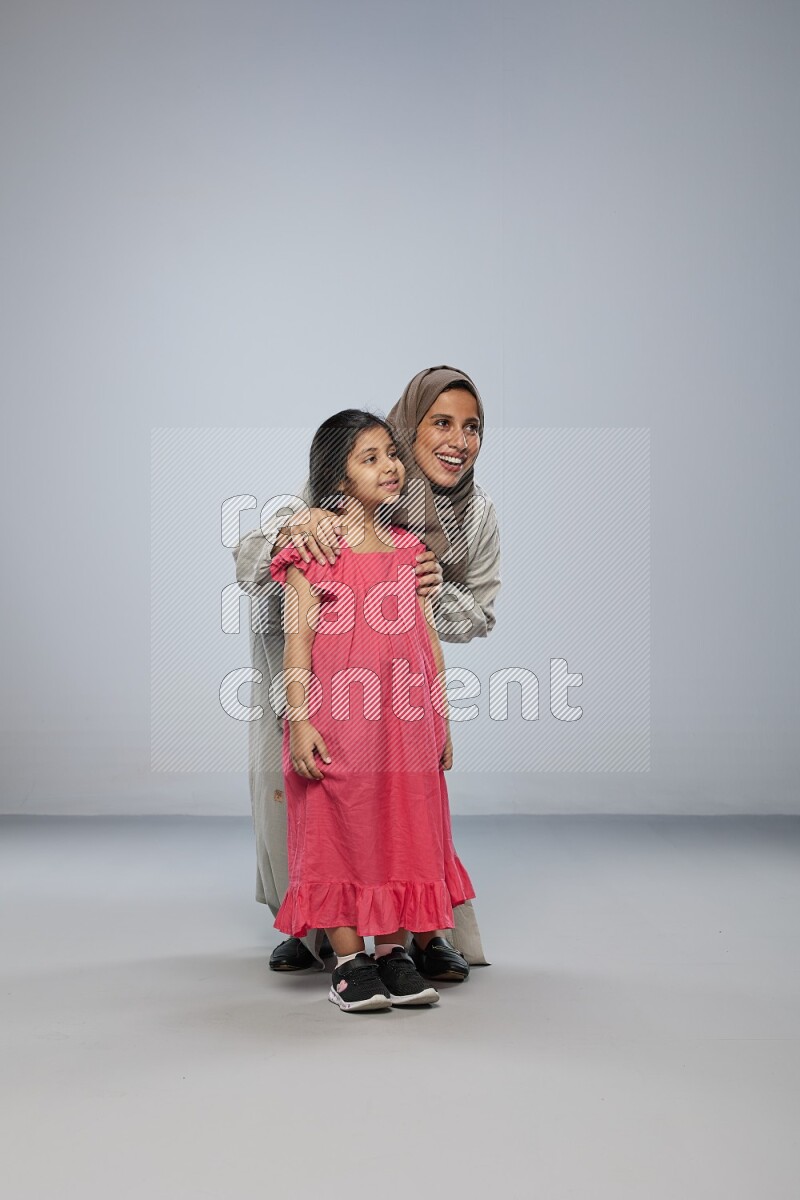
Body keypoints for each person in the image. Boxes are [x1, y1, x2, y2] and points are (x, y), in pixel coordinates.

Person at [233, 365, 501, 978]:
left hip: (394, 695)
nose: (458, 439)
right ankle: (314, 933)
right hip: (315, 677)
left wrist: (431, 590)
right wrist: (287, 532)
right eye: (441, 423)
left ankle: (421, 934)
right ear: (412, 427)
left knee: (406, 811)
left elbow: (473, 613)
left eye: (473, 427)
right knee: (314, 808)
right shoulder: (341, 484)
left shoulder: (473, 515)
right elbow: (252, 556)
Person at [269, 409, 475, 1011]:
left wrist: (440, 716)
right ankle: (348, 959)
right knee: (339, 825)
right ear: (337, 479)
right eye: (370, 457)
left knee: (402, 825)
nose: (390, 466)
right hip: (339, 719)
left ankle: (392, 952)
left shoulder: (412, 552)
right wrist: (302, 718)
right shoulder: (313, 554)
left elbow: (426, 637)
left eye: (391, 453)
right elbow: (298, 640)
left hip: (405, 724)